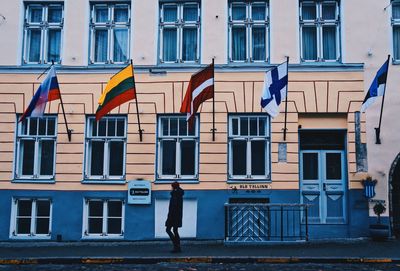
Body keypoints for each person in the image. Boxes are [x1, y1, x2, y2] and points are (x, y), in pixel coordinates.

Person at [165, 181, 184, 253]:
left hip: (173, 217)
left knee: (168, 230)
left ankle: (176, 246)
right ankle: (178, 247)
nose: (171, 188)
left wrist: (169, 218)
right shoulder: (179, 194)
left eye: (171, 186)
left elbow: (172, 208)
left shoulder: (175, 195)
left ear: (173, 187)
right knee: (175, 231)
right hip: (177, 216)